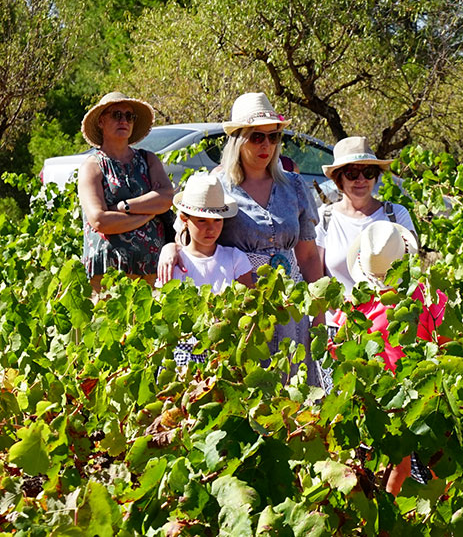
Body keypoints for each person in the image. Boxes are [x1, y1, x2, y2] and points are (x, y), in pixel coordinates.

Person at [159, 92, 324, 385]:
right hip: (241, 307)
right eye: (257, 137)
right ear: (238, 139)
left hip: (290, 302)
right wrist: (170, 248)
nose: (267, 145)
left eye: (273, 137)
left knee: (294, 392)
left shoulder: (295, 186)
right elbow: (191, 234)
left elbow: (308, 257)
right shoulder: (219, 186)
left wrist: (319, 311)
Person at [343, 220, 447, 495]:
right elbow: (448, 348)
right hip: (423, 399)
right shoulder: (430, 298)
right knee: (427, 471)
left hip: (379, 403)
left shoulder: (356, 307)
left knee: (392, 471)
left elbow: (339, 352)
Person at [315, 135, 416, 336]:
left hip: (389, 327)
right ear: (339, 178)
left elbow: (411, 268)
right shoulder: (324, 218)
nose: (361, 180)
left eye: (368, 172)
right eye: (352, 173)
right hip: (338, 328)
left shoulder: (396, 215)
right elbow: (315, 278)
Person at [78, 92, 175, 292]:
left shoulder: (148, 160)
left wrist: (124, 207)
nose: (124, 120)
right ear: (101, 121)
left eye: (129, 116)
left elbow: (166, 197)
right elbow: (99, 220)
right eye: (117, 115)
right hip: (108, 274)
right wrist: (150, 213)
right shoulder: (93, 166)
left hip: (151, 270)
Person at [157, 175, 254, 364]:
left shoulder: (235, 258)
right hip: (183, 354)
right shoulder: (173, 264)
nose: (211, 229)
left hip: (225, 351)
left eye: (217, 220)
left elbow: (248, 310)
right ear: (185, 219)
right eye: (202, 221)